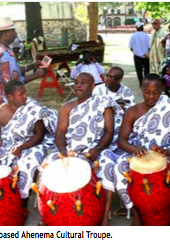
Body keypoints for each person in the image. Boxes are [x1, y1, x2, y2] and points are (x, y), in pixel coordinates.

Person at [114, 74, 170, 226]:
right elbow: (121, 141)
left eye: (155, 92)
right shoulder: (132, 111)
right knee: (118, 168)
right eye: (147, 92)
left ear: (162, 89)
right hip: (138, 152)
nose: (150, 96)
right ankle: (135, 212)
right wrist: (134, 148)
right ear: (141, 90)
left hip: (167, 151)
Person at [46, 72, 118, 226]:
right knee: (48, 165)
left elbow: (109, 132)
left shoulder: (104, 103)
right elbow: (60, 133)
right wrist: (63, 152)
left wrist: (97, 149)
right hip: (71, 151)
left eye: (83, 82)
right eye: (76, 82)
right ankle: (49, 215)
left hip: (96, 150)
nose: (78, 85)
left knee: (107, 166)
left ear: (93, 86)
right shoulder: (67, 107)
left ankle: (104, 216)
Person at [0, 80, 58, 208]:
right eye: (21, 94)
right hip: (10, 145)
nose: (25, 96)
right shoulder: (2, 111)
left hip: (32, 144)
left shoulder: (32, 108)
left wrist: (21, 148)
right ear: (10, 97)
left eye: (25, 92)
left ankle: (22, 202)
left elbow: (39, 135)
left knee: (29, 162)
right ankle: (6, 201)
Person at [93, 67, 135, 225]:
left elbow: (130, 111)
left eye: (112, 77)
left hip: (121, 128)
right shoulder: (98, 89)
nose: (107, 79)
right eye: (107, 76)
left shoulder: (127, 92)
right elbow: (95, 108)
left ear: (119, 80)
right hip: (103, 126)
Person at [0, 17, 47, 105]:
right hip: (5, 102)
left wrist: (31, 66)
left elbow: (12, 70)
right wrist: (36, 75)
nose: (16, 34)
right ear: (6, 34)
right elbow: (12, 83)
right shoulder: (6, 54)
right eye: (13, 31)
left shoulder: (5, 50)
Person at [129, 21, 150, 87]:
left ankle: (141, 83)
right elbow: (149, 46)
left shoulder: (133, 36)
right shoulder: (146, 36)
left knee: (139, 70)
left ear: (136, 28)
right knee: (146, 70)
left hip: (137, 56)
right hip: (146, 56)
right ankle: (146, 83)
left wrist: (135, 52)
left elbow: (130, 47)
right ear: (142, 27)